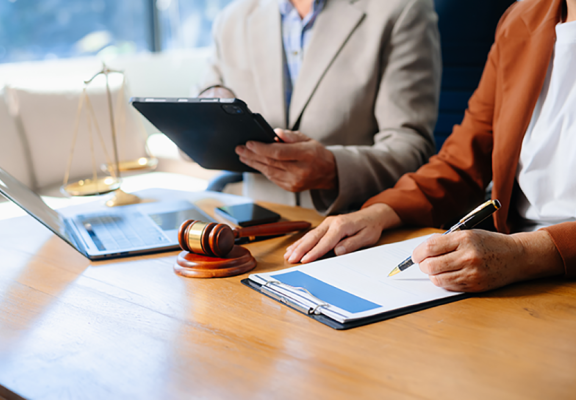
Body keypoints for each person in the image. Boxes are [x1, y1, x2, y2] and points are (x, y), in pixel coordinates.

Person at [285, 0, 576, 293]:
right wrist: (378, 213)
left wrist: (528, 253)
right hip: (511, 267)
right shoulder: (522, 19)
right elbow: (462, 160)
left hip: (536, 265)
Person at [198, 0, 441, 215]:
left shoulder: (401, 9)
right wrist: (207, 110)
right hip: (257, 221)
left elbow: (412, 148)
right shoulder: (231, 19)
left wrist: (334, 170)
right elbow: (196, 124)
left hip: (353, 224)